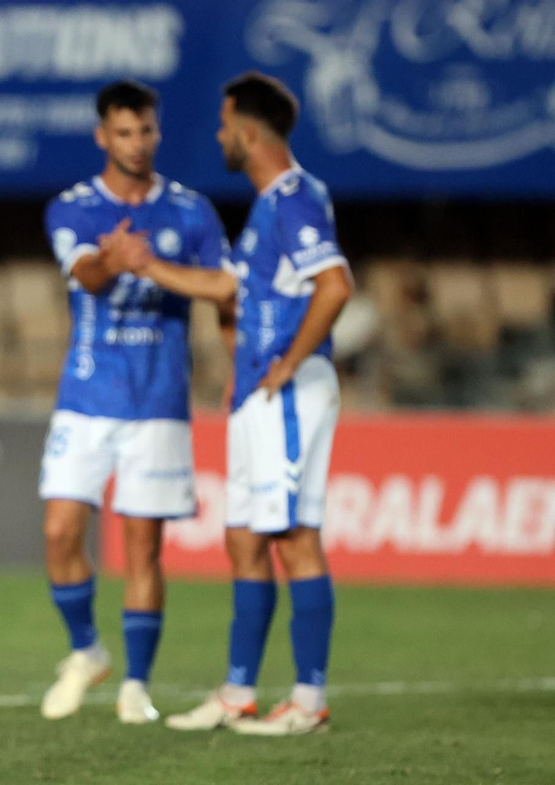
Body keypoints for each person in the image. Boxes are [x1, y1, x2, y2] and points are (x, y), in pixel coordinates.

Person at [122, 73, 352, 736]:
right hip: (256, 396)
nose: (220, 135)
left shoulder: (294, 199)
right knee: (244, 538)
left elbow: (335, 285)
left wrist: (291, 359)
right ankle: (238, 694)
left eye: (225, 125)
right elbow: (228, 288)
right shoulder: (268, 209)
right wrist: (148, 266)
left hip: (286, 392)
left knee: (294, 538)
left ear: (248, 133)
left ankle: (308, 702)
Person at [37, 80, 229, 724]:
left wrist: (153, 267)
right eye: (124, 132)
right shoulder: (73, 208)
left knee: (144, 549)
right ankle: (88, 651)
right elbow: (86, 275)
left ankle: (137, 686)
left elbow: (225, 285)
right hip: (86, 398)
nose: (137, 143)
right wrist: (117, 259)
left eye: (145, 130)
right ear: (103, 136)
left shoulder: (191, 211)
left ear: (157, 132)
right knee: (60, 531)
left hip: (157, 403)